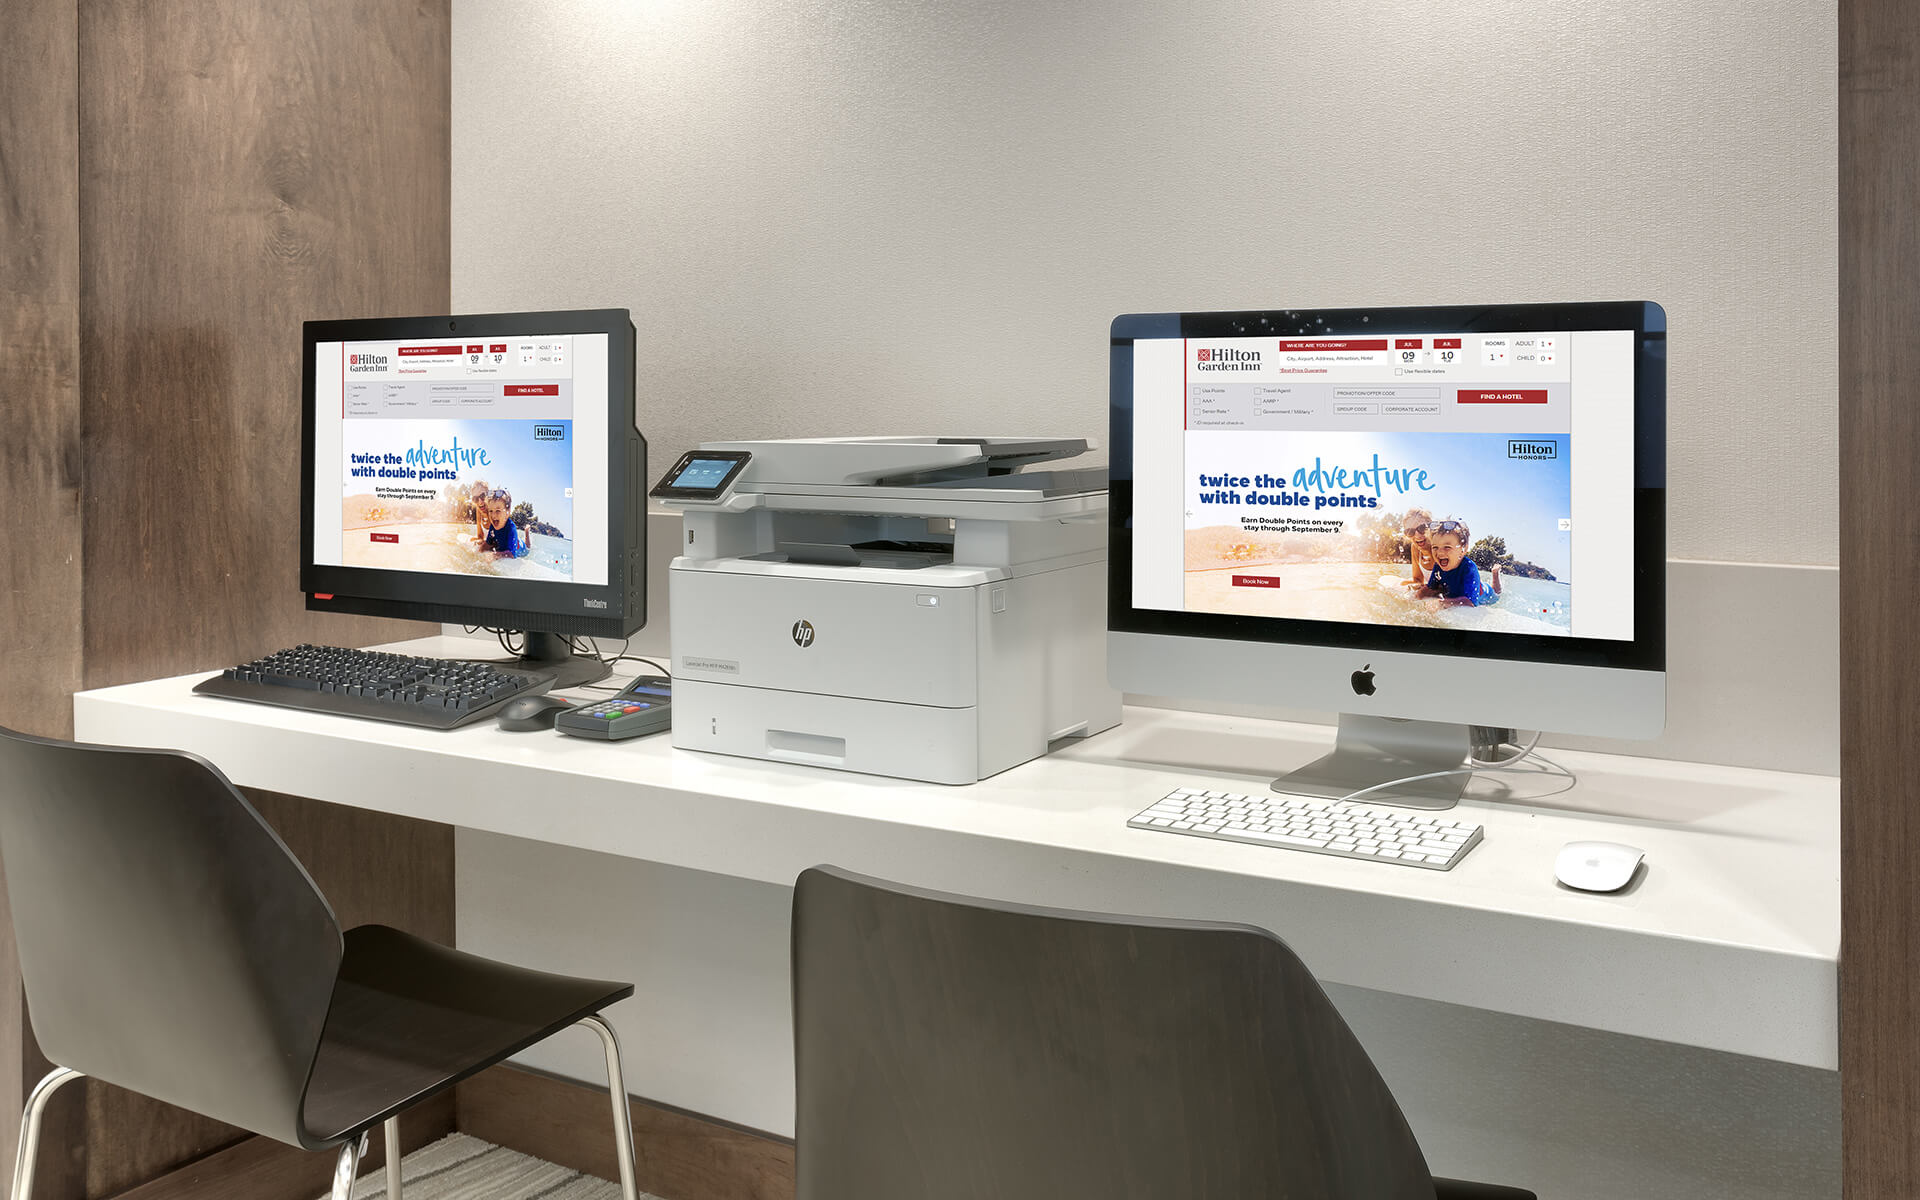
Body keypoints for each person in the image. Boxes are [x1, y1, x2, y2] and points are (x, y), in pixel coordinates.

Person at [1416, 519, 1501, 606]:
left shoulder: (1469, 568)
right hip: (1462, 589)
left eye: (1447, 547)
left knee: (1496, 593)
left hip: (1486, 594)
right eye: (1435, 547)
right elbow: (1431, 588)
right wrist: (1418, 595)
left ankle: (1495, 573)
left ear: (1463, 549)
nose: (1440, 552)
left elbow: (1471, 602)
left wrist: (1442, 603)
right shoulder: (1438, 566)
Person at [481, 489, 525, 558]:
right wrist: (478, 552)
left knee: (527, 546)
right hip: (506, 545)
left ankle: (527, 533)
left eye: (498, 511)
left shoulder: (511, 528)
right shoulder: (492, 526)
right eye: (491, 511)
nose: (493, 515)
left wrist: (495, 555)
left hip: (522, 548)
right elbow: (488, 543)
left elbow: (512, 554)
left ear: (507, 512)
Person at [1401, 508, 1436, 589]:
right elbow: (1418, 579)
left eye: (1422, 528)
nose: (1417, 536)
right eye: (1410, 532)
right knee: (1403, 583)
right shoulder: (1415, 548)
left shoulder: (1440, 547)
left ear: (1431, 527)